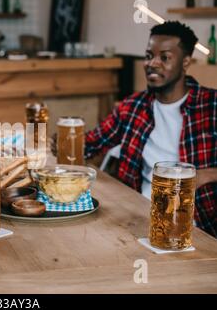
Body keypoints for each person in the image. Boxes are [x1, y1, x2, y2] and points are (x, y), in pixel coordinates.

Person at [85, 21, 217, 238]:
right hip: (138, 219)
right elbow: (90, 144)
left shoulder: (211, 106)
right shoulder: (133, 106)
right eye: (148, 56)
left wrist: (206, 175)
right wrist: (56, 140)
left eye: (164, 57)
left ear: (185, 62)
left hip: (199, 225)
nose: (152, 63)